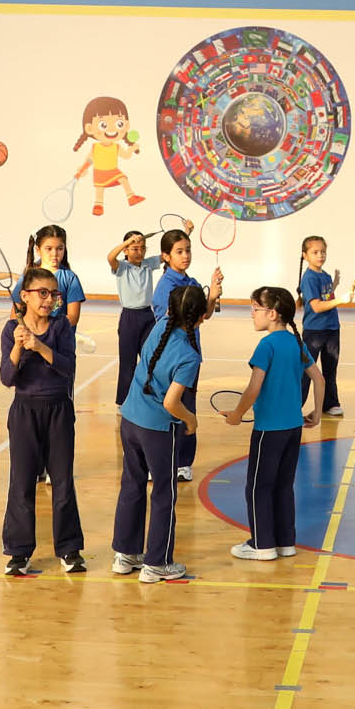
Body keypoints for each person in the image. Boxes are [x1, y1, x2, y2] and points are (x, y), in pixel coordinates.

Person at [114, 283, 207, 584]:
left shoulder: (160, 327)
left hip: (130, 420)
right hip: (157, 430)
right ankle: (157, 562)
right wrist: (191, 420)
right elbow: (171, 402)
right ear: (200, 317)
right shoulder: (189, 356)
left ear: (170, 309)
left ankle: (126, 554)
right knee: (164, 493)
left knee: (132, 485)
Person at [226, 286, 322, 562]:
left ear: (272, 313)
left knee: (258, 487)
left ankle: (262, 544)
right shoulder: (296, 343)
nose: (252, 314)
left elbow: (253, 388)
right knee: (283, 486)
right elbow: (319, 379)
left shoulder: (266, 345)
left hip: (269, 430)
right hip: (293, 429)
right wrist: (317, 413)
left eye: (255, 309)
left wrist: (237, 414)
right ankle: (285, 542)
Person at [0, 268, 83, 575]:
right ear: (25, 296)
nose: (49, 300)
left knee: (63, 482)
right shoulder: (11, 330)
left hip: (59, 410)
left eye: (54, 294)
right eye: (42, 293)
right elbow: (7, 378)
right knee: (21, 483)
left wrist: (40, 347)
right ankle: (19, 552)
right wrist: (18, 346)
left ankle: (69, 548)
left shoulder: (61, 327)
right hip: (24, 412)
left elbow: (68, 367)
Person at [148, 227, 222, 480]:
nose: (185, 256)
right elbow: (166, 324)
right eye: (179, 251)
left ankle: (182, 463)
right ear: (166, 256)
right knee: (166, 406)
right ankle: (159, 459)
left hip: (190, 356)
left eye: (188, 250)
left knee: (187, 406)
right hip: (171, 357)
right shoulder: (165, 287)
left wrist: (212, 295)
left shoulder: (191, 283)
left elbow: (204, 315)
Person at [106, 226, 165, 409]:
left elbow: (168, 254)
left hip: (148, 316)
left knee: (152, 359)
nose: (140, 252)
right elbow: (110, 257)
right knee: (128, 362)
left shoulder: (149, 264)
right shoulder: (121, 267)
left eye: (142, 248)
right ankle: (122, 402)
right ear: (126, 250)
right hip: (129, 318)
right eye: (135, 248)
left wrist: (187, 232)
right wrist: (127, 241)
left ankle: (150, 398)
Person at [299, 235, 346, 418]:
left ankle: (330, 404)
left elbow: (326, 298)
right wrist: (341, 300)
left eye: (323, 252)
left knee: (330, 370)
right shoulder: (309, 278)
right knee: (306, 371)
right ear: (305, 255)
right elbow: (317, 307)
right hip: (314, 332)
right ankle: (295, 405)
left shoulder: (325, 275)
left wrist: (334, 285)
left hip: (332, 329)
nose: (320, 255)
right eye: (315, 252)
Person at [28, 224, 88, 334]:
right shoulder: (28, 277)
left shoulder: (70, 278)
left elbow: (73, 317)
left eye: (59, 248)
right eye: (49, 249)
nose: (54, 254)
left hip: (61, 341)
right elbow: (15, 316)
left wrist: (46, 329)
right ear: (38, 250)